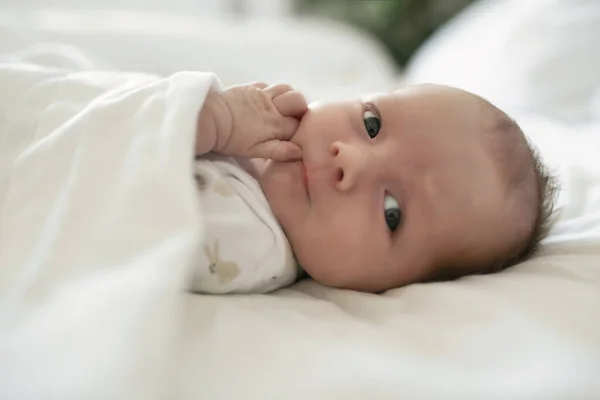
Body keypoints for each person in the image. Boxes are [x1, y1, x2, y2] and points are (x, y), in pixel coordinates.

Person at [192, 81, 557, 293]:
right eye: (371, 124)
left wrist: (209, 119)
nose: (349, 160)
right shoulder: (263, 148)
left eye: (391, 212)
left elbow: (136, 170)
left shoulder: (244, 238)